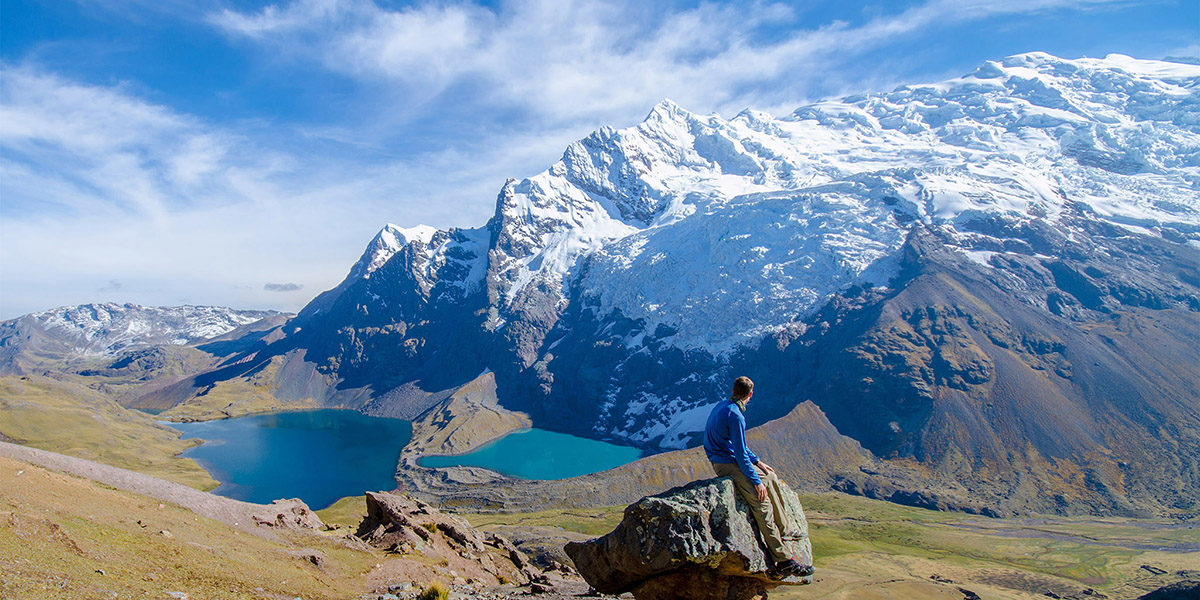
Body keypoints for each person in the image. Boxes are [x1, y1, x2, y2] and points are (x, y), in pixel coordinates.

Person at [704, 376, 813, 578]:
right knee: (761, 503)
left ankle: (786, 529)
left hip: (726, 457)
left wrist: (758, 461)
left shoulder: (724, 405)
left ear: (734, 390)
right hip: (726, 464)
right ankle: (783, 560)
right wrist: (755, 481)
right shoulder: (735, 415)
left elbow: (740, 446)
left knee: (770, 477)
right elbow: (738, 452)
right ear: (750, 395)